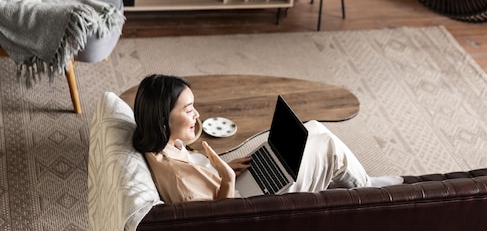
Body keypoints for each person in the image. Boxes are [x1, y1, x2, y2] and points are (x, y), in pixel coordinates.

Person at [132, 74, 403, 203]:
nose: (197, 114)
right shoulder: (178, 178)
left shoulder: (159, 146)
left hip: (238, 186)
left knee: (314, 127)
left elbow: (196, 177)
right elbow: (220, 219)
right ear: (162, 120)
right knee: (328, 147)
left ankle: (360, 180)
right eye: (189, 110)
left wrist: (222, 168)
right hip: (251, 204)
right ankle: (370, 192)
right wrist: (226, 179)